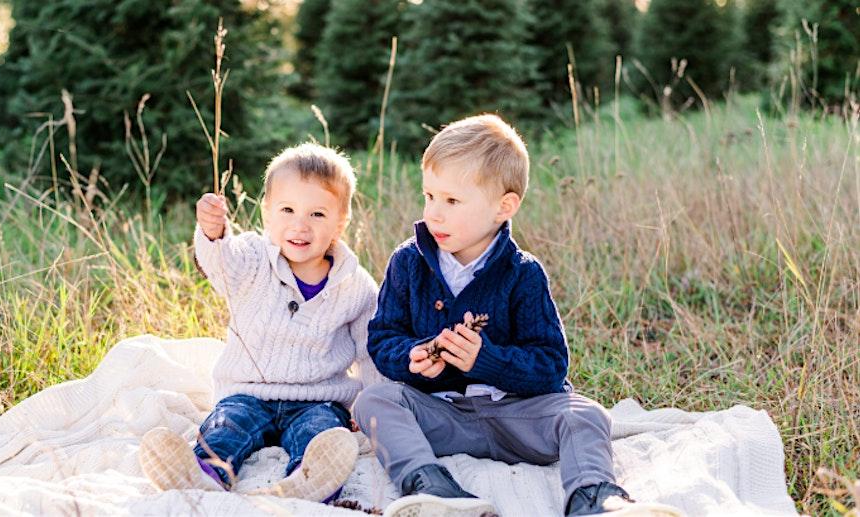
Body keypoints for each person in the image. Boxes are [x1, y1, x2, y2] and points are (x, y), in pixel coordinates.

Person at [353, 115, 681, 517]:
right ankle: (433, 487)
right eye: (429, 196)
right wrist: (413, 356)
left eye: (452, 201)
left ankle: (594, 498)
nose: (434, 214)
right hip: (441, 417)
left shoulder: (523, 273)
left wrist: (485, 359)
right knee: (374, 400)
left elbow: (550, 364)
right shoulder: (408, 262)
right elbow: (383, 336)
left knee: (587, 414)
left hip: (517, 417)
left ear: (503, 207)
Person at [139, 143, 381, 503]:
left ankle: (309, 480)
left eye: (317, 214)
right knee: (227, 427)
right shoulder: (251, 258)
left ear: (340, 222)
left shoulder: (354, 284)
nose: (300, 225)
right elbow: (220, 263)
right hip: (249, 392)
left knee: (321, 433)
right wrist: (213, 232)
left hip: (318, 398)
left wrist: (369, 400)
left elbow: (369, 348)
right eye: (287, 210)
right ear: (267, 213)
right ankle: (201, 473)